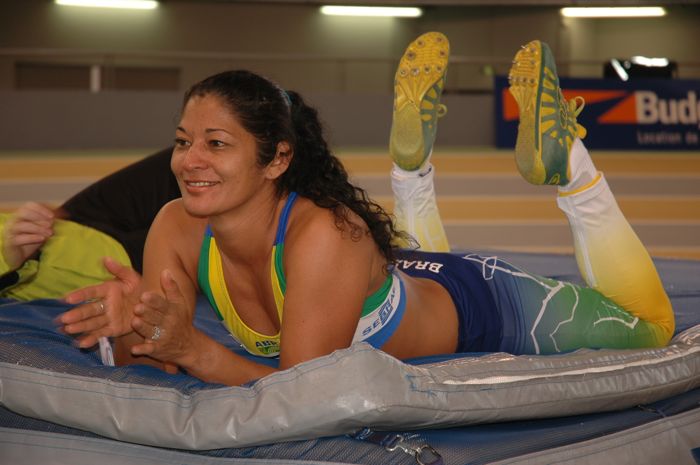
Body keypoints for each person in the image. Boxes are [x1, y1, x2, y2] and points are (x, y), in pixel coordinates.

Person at [37, 33, 673, 387]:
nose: (189, 161)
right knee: (406, 266)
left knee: (652, 328)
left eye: (216, 144)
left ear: (277, 160)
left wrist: (195, 350)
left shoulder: (322, 234)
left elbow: (302, 393)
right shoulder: (175, 225)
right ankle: (411, 173)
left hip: (484, 304)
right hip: (400, 277)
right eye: (182, 142)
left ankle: (573, 168)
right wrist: (127, 331)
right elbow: (163, 350)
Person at [1, 148, 180, 301]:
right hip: (105, 266)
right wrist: (14, 261)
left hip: (70, 223)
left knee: (186, 154)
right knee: (192, 230)